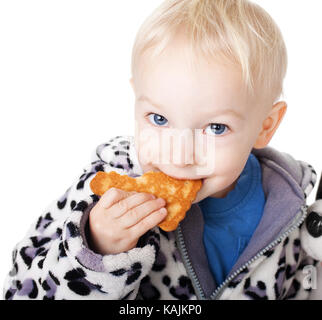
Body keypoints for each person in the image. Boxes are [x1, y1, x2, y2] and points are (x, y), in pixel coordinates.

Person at [3, 0, 322, 300]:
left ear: (266, 125)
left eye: (215, 128)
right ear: (136, 99)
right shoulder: (106, 191)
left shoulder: (289, 206)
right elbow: (20, 288)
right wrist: (96, 251)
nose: (180, 157)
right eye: (159, 119)